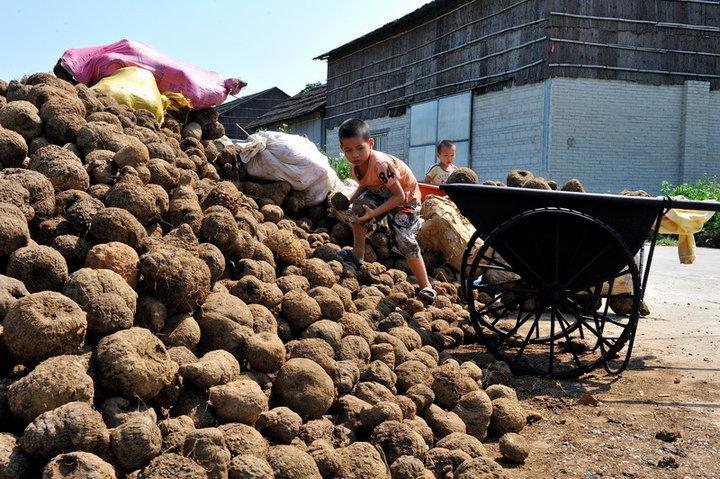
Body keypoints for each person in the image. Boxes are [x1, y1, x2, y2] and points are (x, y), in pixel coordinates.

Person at [334, 118, 436, 303]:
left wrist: (375, 214)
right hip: (383, 195)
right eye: (348, 150)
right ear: (342, 149)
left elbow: (399, 196)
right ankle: (357, 257)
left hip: (406, 200)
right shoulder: (356, 167)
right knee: (357, 212)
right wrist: (349, 199)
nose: (355, 154)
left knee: (404, 240)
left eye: (360, 148)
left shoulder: (381, 165)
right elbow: (365, 185)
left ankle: (426, 286)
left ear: (370, 143)